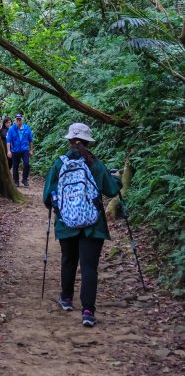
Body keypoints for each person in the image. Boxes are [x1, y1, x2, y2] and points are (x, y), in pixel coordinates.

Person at [42, 123, 121, 327]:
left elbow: (47, 197)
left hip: (66, 223)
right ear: (87, 141)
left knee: (68, 260)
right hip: (93, 224)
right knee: (89, 267)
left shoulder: (59, 164)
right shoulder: (95, 163)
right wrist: (118, 180)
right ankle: (87, 311)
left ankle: (66, 299)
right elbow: (111, 190)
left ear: (69, 140)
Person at [6, 113, 33, 187]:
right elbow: (8, 141)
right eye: (17, 119)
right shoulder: (11, 129)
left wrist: (31, 150)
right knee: (15, 166)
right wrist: (8, 151)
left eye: (19, 119)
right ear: (15, 120)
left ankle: (24, 180)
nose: (18, 120)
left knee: (27, 164)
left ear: (22, 119)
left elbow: (30, 140)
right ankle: (16, 181)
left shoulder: (27, 128)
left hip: (25, 150)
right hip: (15, 150)